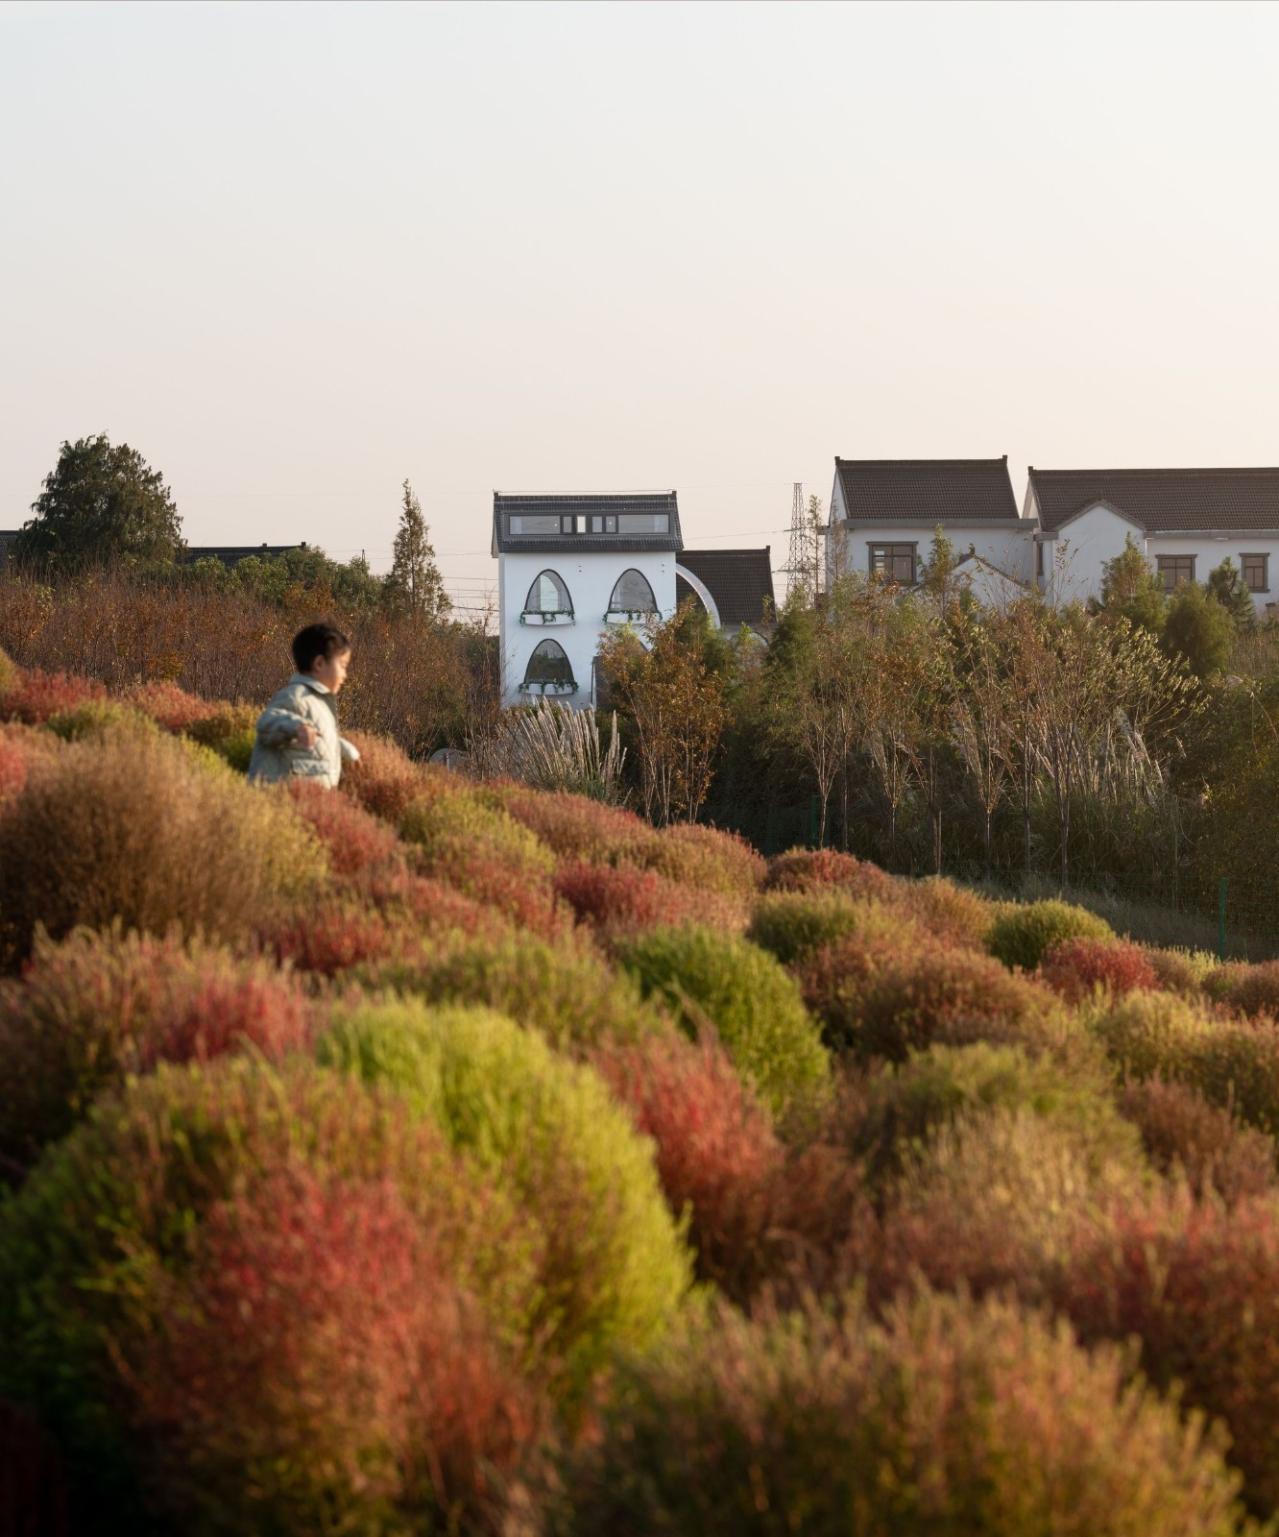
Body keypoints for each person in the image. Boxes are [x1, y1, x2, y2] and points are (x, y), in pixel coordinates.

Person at [248, 621, 360, 789]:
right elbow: (267, 722)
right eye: (342, 666)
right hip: (280, 801)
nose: (345, 675)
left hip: (309, 802)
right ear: (319, 664)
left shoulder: (319, 704)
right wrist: (297, 726)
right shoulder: (296, 696)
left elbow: (321, 740)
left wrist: (348, 751)